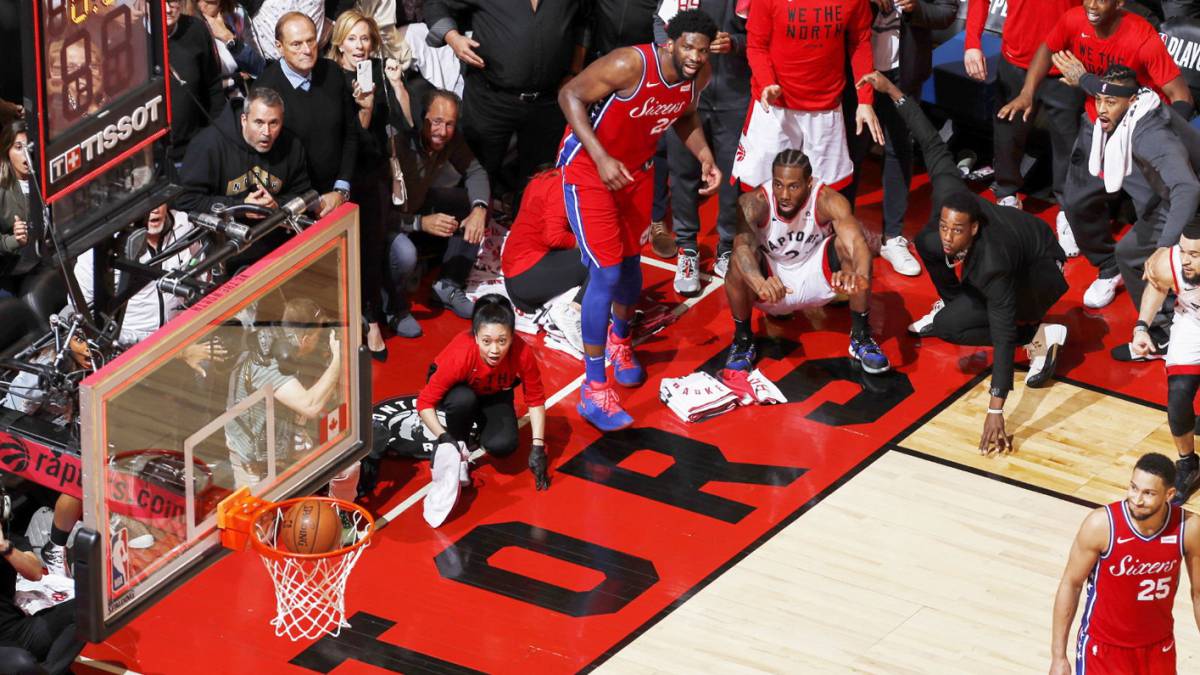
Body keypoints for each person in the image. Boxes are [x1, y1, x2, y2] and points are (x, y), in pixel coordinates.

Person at [860, 71, 1070, 454]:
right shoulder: (949, 198)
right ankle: (955, 299)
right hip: (1017, 253)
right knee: (925, 244)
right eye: (945, 225)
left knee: (952, 328)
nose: (947, 235)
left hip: (1041, 271)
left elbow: (1002, 335)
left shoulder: (993, 262)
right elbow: (928, 140)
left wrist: (995, 409)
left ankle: (1040, 337)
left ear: (973, 228)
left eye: (956, 231)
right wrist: (892, 90)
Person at [557, 9, 721, 431]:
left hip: (635, 173)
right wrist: (600, 155)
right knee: (607, 274)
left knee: (633, 267)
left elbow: (684, 116)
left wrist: (704, 155)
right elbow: (570, 96)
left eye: (702, 50)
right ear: (670, 41)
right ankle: (593, 390)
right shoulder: (630, 63)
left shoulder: (697, 76)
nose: (695, 56)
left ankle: (620, 341)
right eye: (688, 46)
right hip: (589, 171)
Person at [999, 0, 1194, 311]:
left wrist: (1163, 135)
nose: (1091, 4)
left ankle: (1171, 289)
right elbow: (1047, 48)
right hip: (1096, 126)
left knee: (1156, 213)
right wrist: (1027, 92)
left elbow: (1181, 95)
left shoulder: (1142, 38)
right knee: (1075, 204)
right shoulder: (1073, 19)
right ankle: (1109, 266)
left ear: (1119, 2)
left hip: (1137, 134)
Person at [1065, 64, 1200, 361]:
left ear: (1132, 102)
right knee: (1129, 254)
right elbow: (1108, 92)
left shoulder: (1149, 135)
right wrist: (1083, 80)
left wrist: (1166, 247)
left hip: (1192, 202)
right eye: (1098, 101)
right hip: (1173, 200)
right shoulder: (1134, 104)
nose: (1102, 109)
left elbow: (1188, 188)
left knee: (1173, 265)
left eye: (1110, 103)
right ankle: (1160, 335)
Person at [722, 149, 891, 381]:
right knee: (736, 267)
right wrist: (760, 284)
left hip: (816, 274)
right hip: (773, 280)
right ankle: (742, 341)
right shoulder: (754, 202)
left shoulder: (827, 200)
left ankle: (861, 336)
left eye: (794, 186)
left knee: (846, 244)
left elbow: (857, 243)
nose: (784, 194)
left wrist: (860, 276)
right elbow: (741, 248)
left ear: (809, 183)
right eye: (778, 184)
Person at [1049, 452, 1200, 675]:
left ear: (1169, 494)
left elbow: (1199, 592)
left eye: (1148, 493)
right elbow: (1071, 584)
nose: (1137, 499)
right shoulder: (1101, 525)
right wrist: (1058, 657)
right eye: (1134, 488)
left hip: (1159, 649)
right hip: (1104, 650)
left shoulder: (1188, 528)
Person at [424, 0, 587, 197]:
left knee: (539, 182)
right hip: (490, 98)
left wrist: (574, 71)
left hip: (548, 101)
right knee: (479, 173)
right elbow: (435, 3)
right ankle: (476, 222)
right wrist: (453, 38)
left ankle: (520, 225)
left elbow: (585, 21)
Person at [844, 0, 957, 277]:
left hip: (904, 74)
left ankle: (892, 237)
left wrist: (914, 8)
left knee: (899, 150)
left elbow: (947, 12)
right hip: (854, 70)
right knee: (849, 152)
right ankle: (840, 232)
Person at [964, 0, 1080, 257]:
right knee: (1008, 136)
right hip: (1016, 60)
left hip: (1066, 65)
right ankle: (1006, 195)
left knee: (1068, 146)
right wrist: (972, 42)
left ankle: (1069, 213)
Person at [732, 0, 883, 193]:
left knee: (825, 197)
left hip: (826, 107)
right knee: (761, 193)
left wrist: (864, 100)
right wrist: (766, 82)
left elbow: (860, 41)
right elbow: (756, 45)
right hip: (774, 107)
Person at [654, 0, 752, 291]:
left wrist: (735, 43)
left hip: (734, 97)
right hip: (684, 94)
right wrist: (672, 55)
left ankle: (726, 246)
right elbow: (660, 25)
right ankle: (687, 249)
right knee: (682, 173)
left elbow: (764, 36)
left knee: (731, 176)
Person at [175, 87, 313, 273]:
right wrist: (241, 207)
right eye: (259, 123)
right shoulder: (208, 145)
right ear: (243, 119)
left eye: (274, 123)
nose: (267, 132)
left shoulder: (291, 145)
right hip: (226, 255)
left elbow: (303, 193)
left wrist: (276, 206)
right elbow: (186, 200)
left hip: (278, 250)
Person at [417, 294, 549, 490]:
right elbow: (424, 403)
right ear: (476, 337)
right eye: (486, 341)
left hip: (493, 391)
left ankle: (480, 427)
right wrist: (444, 438)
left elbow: (536, 399)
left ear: (512, 337)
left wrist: (538, 447)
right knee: (463, 399)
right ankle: (458, 444)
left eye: (502, 341)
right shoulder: (461, 354)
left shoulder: (523, 353)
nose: (494, 350)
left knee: (504, 446)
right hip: (459, 390)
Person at [385, 90, 491, 324]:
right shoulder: (397, 144)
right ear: (423, 117)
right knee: (405, 254)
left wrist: (479, 209)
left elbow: (476, 172)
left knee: (471, 202)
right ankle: (391, 304)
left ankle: (448, 285)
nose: (442, 132)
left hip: (418, 206)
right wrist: (420, 223)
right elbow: (375, 215)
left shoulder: (450, 140)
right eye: (437, 122)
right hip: (388, 223)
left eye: (450, 124)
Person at [223, 297, 347, 493]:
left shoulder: (287, 343)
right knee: (260, 518)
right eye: (318, 336)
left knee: (346, 462)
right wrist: (338, 359)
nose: (321, 340)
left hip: (283, 437)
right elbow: (311, 405)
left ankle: (338, 511)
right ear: (305, 340)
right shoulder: (267, 362)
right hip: (254, 458)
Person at [328, 9, 391, 360]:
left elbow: (391, 126)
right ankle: (353, 321)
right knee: (346, 254)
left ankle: (373, 317)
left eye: (365, 38)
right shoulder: (332, 79)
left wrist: (390, 88)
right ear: (339, 43)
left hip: (375, 175)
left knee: (373, 247)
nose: (360, 45)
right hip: (345, 177)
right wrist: (363, 109)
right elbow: (354, 137)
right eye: (352, 38)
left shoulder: (377, 72)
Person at [255, 12, 358, 218]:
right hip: (295, 206)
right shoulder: (265, 91)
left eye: (311, 41)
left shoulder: (332, 73)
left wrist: (341, 189)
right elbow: (264, 159)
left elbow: (350, 133)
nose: (307, 50)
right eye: (296, 44)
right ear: (279, 46)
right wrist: (307, 201)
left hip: (339, 195)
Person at [1130, 230, 1200, 502]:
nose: (1184, 260)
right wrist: (1140, 328)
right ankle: (1188, 462)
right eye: (1183, 251)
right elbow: (1158, 286)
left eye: (1193, 254)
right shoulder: (1168, 263)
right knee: (1179, 393)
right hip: (1193, 323)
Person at [501, 166, 588, 353]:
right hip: (527, 273)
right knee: (600, 258)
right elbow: (554, 236)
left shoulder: (546, 176)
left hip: (516, 277)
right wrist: (587, 243)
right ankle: (573, 312)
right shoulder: (563, 186)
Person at [0, 518, 83, 675]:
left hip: (20, 631)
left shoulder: (9, 541)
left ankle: (48, 671)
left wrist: (4, 547)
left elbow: (35, 573)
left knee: (87, 606)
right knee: (21, 663)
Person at [165, 0, 225, 165]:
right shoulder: (134, 39)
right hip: (154, 161)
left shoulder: (195, 29)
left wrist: (215, 136)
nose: (168, 9)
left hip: (194, 151)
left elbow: (213, 87)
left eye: (172, 1)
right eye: (158, 3)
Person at [0, 120, 35, 299]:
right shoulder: (2, 187)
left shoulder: (43, 184)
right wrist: (13, 240)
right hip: (7, 275)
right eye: (18, 147)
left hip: (38, 269)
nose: (26, 154)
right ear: (7, 151)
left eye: (28, 147)